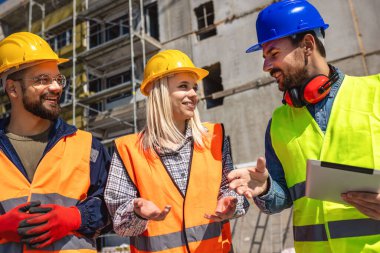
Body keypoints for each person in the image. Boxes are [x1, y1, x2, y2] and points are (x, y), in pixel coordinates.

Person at [227, 1, 380, 252]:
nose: (266, 66)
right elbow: (281, 199)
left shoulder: (375, 92)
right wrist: (264, 188)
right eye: (264, 56)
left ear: (307, 45)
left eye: (273, 54)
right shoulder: (278, 123)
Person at [105, 49, 249, 253]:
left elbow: (234, 192)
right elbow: (120, 225)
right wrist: (139, 213)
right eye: (184, 86)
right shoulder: (128, 151)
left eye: (194, 87)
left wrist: (230, 203)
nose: (194, 94)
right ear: (160, 92)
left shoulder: (214, 138)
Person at [0, 32, 111, 252]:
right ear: (13, 89)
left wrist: (76, 217)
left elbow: (114, 207)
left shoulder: (88, 147)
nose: (57, 88)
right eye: (43, 80)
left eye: (58, 79)